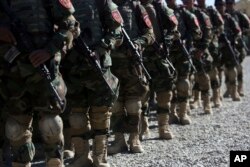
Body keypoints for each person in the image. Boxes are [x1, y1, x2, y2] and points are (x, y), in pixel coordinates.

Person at [0, 0, 79, 166]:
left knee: (50, 123)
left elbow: (71, 25)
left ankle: (54, 162)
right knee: (15, 127)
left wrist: (49, 50)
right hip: (13, 69)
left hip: (44, 67)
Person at [61, 0, 122, 166]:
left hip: (98, 65)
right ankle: (81, 156)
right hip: (72, 67)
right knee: (76, 115)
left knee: (101, 113)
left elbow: (117, 29)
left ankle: (99, 158)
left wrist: (103, 47)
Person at [108, 0, 154, 154]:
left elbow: (150, 33)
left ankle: (134, 139)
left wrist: (139, 43)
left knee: (134, 104)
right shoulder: (105, 4)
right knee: (115, 104)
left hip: (132, 64)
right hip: (111, 63)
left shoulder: (135, 6)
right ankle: (118, 140)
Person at [166, 0, 202, 124]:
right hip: (166, 54)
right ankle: (171, 113)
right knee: (169, 84)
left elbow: (197, 32)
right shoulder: (161, 10)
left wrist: (189, 40)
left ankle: (183, 113)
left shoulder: (183, 12)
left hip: (182, 53)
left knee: (183, 83)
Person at [181, 0, 213, 114]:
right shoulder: (180, 13)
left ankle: (206, 103)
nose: (186, 2)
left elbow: (208, 34)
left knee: (203, 77)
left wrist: (201, 49)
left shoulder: (201, 15)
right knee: (186, 79)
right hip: (184, 51)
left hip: (198, 50)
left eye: (188, 1)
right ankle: (188, 104)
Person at [196, 0, 224, 108]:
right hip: (198, 45)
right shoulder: (194, 10)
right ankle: (198, 99)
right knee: (199, 74)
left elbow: (221, 25)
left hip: (211, 46)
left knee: (213, 72)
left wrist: (213, 34)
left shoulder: (211, 10)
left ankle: (216, 97)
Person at [215, 0, 242, 101]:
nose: (219, 7)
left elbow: (237, 31)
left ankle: (234, 92)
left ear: (224, 6)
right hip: (216, 48)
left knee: (232, 70)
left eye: (221, 5)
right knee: (217, 71)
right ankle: (217, 94)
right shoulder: (212, 17)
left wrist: (234, 40)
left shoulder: (228, 17)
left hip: (228, 47)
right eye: (217, 5)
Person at [224, 0, 250, 97]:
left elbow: (247, 26)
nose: (229, 5)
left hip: (237, 45)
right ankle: (229, 89)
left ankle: (240, 88)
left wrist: (241, 34)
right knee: (227, 68)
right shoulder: (222, 14)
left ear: (234, 4)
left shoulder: (239, 15)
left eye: (230, 3)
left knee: (238, 67)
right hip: (226, 45)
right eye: (227, 3)